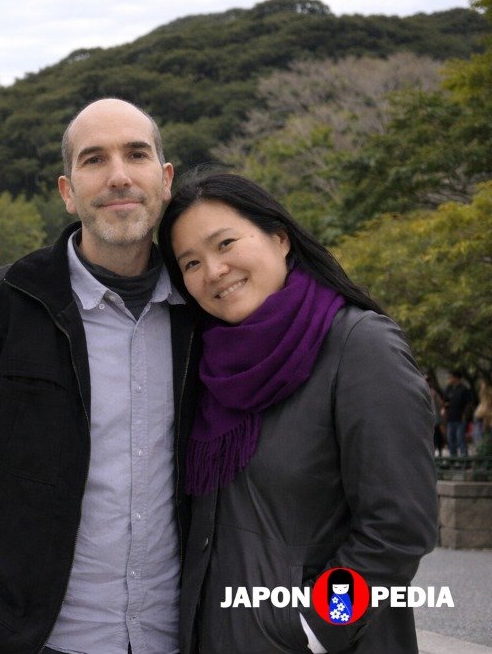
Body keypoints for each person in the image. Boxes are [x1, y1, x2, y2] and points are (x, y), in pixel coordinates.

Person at [0, 98, 199, 654]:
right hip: (41, 638)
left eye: (136, 155)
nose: (117, 176)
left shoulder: (204, 313)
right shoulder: (2, 308)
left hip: (179, 633)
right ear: (68, 190)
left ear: (164, 181)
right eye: (94, 160)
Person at [159, 172, 437, 653]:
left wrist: (315, 630)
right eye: (191, 263)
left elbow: (398, 527)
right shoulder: (206, 366)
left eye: (225, 243)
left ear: (280, 237)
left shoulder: (359, 345)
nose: (214, 270)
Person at [444, 370, 473, 457]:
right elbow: (445, 401)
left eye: (451, 377)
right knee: (450, 438)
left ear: (456, 378)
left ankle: (464, 458)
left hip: (460, 418)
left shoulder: (464, 389)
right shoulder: (449, 389)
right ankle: (453, 459)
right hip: (450, 418)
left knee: (460, 438)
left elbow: (469, 403)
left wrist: (465, 415)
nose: (449, 379)